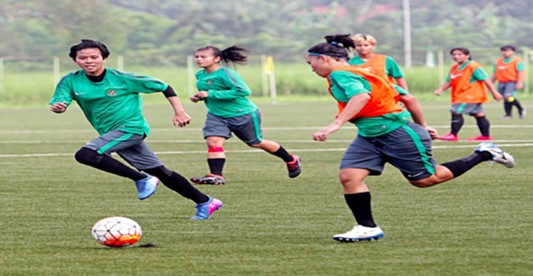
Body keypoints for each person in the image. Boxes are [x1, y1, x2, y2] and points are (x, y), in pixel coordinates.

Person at [305, 34, 515, 242]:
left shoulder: (339, 74)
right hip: (369, 135)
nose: (311, 67)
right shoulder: (364, 71)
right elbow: (408, 97)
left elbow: (361, 96)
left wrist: (336, 124)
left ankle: (484, 153)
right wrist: (423, 126)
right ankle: (366, 227)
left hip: (397, 132)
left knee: (425, 180)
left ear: (323, 58)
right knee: (350, 176)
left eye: (311, 62)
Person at [49, 39, 222, 220]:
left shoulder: (122, 78)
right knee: (160, 171)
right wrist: (59, 107)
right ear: (75, 60)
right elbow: (60, 100)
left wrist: (179, 111)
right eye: (83, 58)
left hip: (131, 128)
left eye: (94, 57)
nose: (89, 61)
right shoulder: (71, 81)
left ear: (104, 58)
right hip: (111, 133)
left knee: (86, 154)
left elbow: (164, 87)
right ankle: (205, 201)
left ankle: (141, 179)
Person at [189, 45, 301, 185]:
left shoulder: (226, 74)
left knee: (255, 142)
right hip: (217, 115)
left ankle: (291, 159)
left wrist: (210, 94)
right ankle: (216, 175)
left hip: (242, 114)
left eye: (203, 57)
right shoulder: (200, 75)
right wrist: (200, 97)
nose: (199, 59)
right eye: (197, 57)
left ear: (217, 59)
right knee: (213, 142)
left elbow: (243, 91)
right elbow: (211, 92)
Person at [434, 47, 502, 141]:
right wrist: (440, 89)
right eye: (454, 54)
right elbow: (449, 81)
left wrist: (494, 92)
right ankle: (485, 136)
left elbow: (486, 79)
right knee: (478, 114)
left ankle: (453, 135)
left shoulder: (474, 66)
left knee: (455, 111)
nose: (456, 56)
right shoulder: (454, 68)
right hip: (462, 95)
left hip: (470, 95)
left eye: (459, 54)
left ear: (467, 55)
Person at [491, 45, 526, 119]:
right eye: (503, 51)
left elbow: (520, 72)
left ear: (513, 52)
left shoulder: (517, 61)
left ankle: (519, 109)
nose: (505, 52)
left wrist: (520, 82)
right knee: (506, 98)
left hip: (511, 82)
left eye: (507, 51)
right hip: (501, 82)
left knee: (508, 96)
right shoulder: (499, 62)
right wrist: (490, 83)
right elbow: (495, 74)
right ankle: (509, 114)